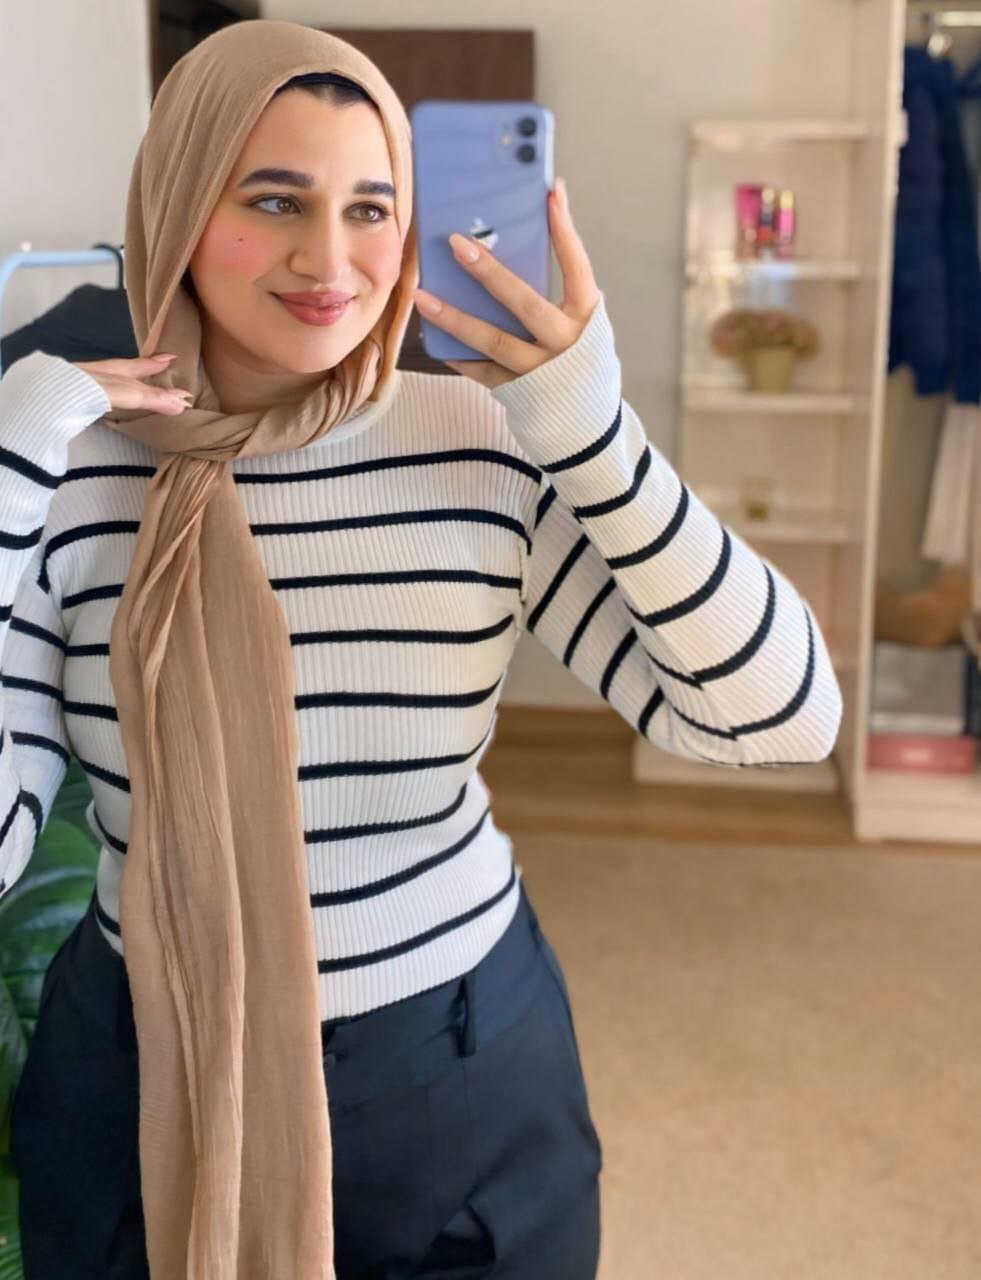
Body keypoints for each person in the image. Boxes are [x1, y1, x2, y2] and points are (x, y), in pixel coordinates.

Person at [0, 20, 842, 1280]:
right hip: (144, 1074)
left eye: (371, 207)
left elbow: (781, 716)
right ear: (174, 203)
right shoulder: (67, 474)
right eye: (273, 199)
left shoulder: (480, 440)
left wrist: (596, 436)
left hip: (457, 1064)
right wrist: (9, 457)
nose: (329, 258)